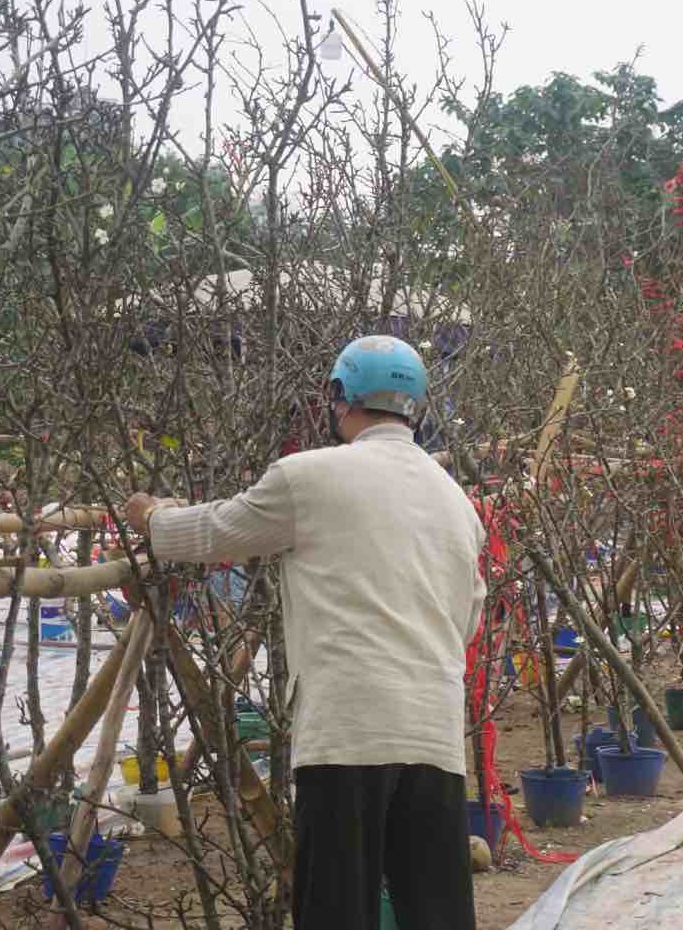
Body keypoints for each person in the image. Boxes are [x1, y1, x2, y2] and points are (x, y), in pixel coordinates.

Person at [125, 335, 486, 930]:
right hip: (434, 733)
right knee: (437, 912)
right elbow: (468, 616)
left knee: (336, 909)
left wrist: (154, 518)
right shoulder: (456, 502)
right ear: (415, 406)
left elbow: (216, 531)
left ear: (339, 398)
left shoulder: (309, 477)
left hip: (347, 733)